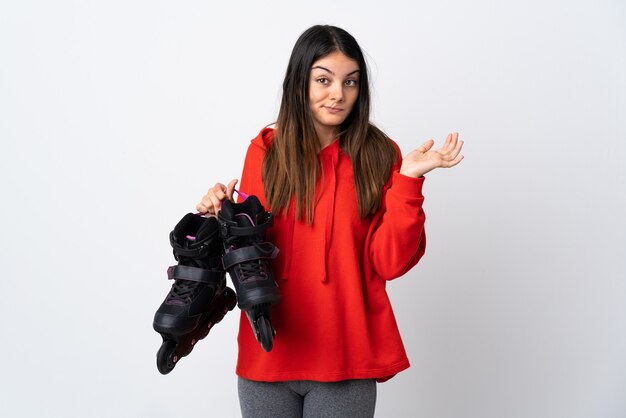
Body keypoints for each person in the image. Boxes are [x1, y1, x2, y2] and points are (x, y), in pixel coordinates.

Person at [197, 24, 464, 418]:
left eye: (350, 82)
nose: (338, 94)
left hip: (345, 355)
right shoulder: (264, 152)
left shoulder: (379, 154)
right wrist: (217, 215)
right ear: (299, 81)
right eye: (324, 79)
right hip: (268, 353)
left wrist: (408, 181)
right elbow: (247, 251)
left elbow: (390, 261)